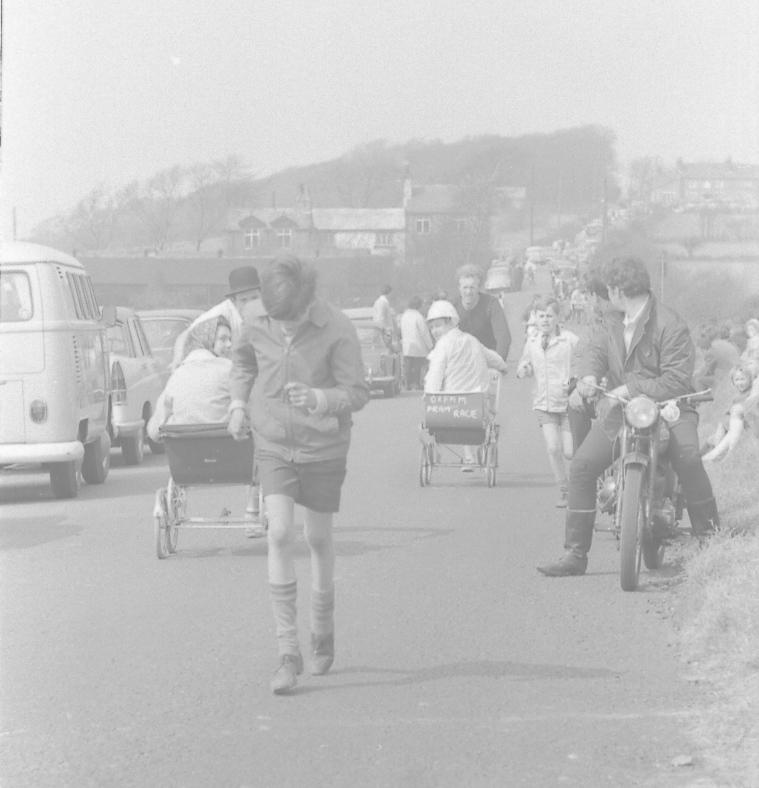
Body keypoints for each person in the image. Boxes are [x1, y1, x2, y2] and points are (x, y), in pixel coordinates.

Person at [227, 253, 369, 694]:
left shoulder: (339, 328)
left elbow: (358, 392)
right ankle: (288, 653)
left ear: (309, 303)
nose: (283, 328)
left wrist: (319, 399)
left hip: (323, 444)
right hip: (273, 442)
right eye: (276, 319)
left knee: (318, 539)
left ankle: (321, 629)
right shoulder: (255, 319)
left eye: (291, 320)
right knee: (278, 533)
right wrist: (236, 403)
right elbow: (244, 363)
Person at [538, 256, 720, 577]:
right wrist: (588, 377)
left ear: (618, 289)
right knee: (582, 467)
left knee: (689, 457)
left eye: (609, 290)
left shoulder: (669, 323)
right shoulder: (612, 319)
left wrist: (629, 387)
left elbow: (677, 379)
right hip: (624, 412)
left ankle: (709, 536)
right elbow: (593, 350)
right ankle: (575, 555)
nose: (606, 296)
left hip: (670, 406)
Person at [516, 297, 579, 507]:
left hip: (568, 402)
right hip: (544, 402)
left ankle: (582, 484)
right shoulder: (532, 341)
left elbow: (583, 361)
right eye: (541, 316)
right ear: (535, 318)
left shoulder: (569, 340)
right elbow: (526, 362)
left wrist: (576, 381)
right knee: (553, 448)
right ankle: (564, 489)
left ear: (558, 318)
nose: (545, 320)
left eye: (549, 316)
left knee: (570, 451)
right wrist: (524, 369)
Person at [147, 316, 234, 441]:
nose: (229, 344)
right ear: (207, 340)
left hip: (184, 457)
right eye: (223, 339)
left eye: (230, 339)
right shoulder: (230, 369)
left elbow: (154, 432)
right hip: (229, 454)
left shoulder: (176, 377)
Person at [172, 266, 262, 367]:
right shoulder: (221, 313)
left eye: (254, 298)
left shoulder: (269, 311)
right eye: (243, 300)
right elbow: (186, 334)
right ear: (233, 301)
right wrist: (178, 359)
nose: (250, 304)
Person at [424, 300, 508, 393]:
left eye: (438, 325)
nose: (434, 331)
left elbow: (435, 374)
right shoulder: (472, 339)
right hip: (479, 398)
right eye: (431, 327)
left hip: (453, 400)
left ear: (451, 322)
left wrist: (429, 395)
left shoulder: (442, 345)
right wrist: (503, 367)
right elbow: (492, 358)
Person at [453, 264, 511, 362]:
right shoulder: (452, 307)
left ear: (479, 287)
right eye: (465, 287)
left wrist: (498, 364)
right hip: (461, 362)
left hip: (487, 359)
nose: (468, 292)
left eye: (472, 287)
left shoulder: (491, 304)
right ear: (459, 288)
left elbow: (504, 337)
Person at [702, 361, 759, 461]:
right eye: (737, 380)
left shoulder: (751, 393)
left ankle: (711, 455)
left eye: (743, 379)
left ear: (750, 380)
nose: (740, 382)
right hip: (729, 424)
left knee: (717, 438)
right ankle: (701, 456)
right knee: (715, 439)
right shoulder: (737, 397)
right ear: (733, 382)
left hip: (740, 424)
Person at [400, 296, 433, 390]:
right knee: (417, 367)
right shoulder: (418, 317)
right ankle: (416, 384)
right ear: (418, 305)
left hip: (407, 345)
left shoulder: (404, 316)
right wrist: (430, 345)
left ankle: (407, 384)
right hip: (418, 345)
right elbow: (424, 332)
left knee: (408, 366)